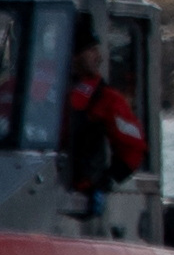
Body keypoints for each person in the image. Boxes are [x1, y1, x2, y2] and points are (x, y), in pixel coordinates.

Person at [59, 35, 153, 213]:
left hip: (77, 201)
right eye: (92, 50)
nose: (99, 57)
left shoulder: (106, 99)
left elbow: (134, 148)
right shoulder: (36, 89)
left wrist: (105, 182)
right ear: (73, 54)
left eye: (97, 50)